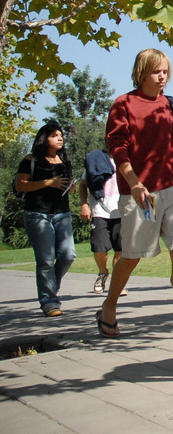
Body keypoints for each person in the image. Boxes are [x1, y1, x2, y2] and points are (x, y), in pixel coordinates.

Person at [99, 49, 173, 339]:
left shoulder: (171, 104)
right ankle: (109, 306)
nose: (163, 76)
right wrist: (134, 183)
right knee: (132, 255)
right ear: (143, 71)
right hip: (140, 192)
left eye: (166, 71)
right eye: (157, 71)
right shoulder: (124, 104)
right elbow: (117, 146)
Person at [16, 123, 77, 317]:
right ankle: (49, 302)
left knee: (68, 255)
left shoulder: (64, 160)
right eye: (54, 135)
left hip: (62, 213)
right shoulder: (31, 159)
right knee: (46, 260)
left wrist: (71, 187)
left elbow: (68, 183)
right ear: (44, 138)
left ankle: (50, 287)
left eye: (61, 135)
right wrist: (48, 183)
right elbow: (21, 185)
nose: (60, 138)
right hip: (38, 214)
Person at [79, 148, 122, 295]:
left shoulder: (126, 159)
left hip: (121, 210)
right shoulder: (95, 159)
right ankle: (103, 273)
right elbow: (83, 184)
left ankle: (117, 283)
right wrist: (84, 204)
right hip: (100, 210)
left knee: (121, 248)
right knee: (99, 247)